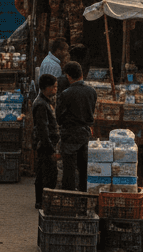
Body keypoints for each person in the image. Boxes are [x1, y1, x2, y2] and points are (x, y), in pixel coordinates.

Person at [56, 61, 97, 191]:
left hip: (70, 134)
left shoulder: (66, 94)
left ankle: (69, 195)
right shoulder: (91, 92)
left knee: (69, 168)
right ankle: (84, 195)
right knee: (84, 167)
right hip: (85, 133)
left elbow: (59, 117)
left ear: (68, 76)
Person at [33, 74, 61, 208]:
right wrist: (50, 148)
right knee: (46, 174)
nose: (56, 89)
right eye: (54, 86)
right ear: (47, 88)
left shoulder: (46, 101)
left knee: (47, 173)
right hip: (45, 144)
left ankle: (42, 200)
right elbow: (43, 130)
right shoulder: (41, 104)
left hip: (48, 143)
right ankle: (41, 201)